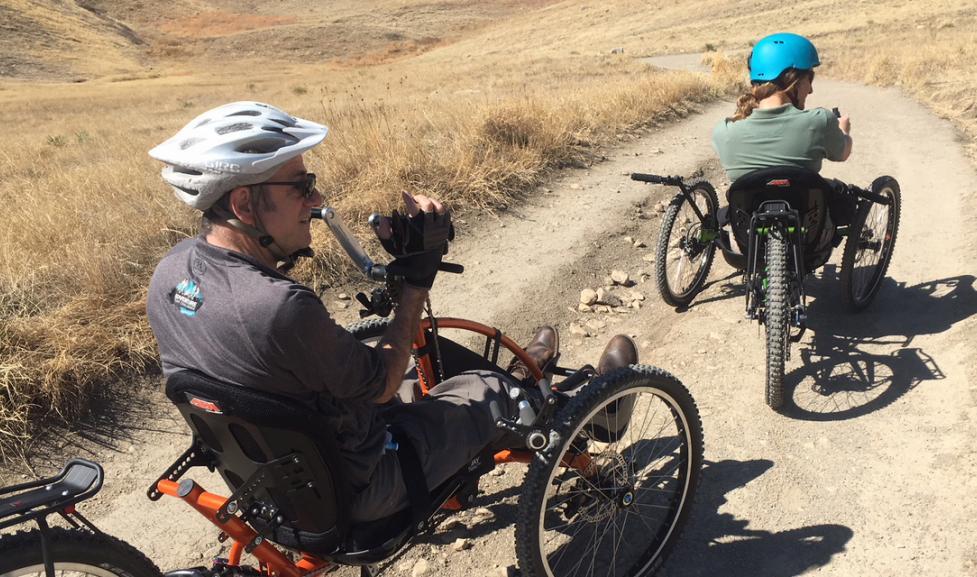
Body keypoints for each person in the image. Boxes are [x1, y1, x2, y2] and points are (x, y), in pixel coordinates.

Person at [145, 101, 639, 523]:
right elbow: (380, 382)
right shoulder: (278, 309)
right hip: (363, 487)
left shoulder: (170, 276)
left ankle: (523, 390)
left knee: (430, 365)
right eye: (302, 184)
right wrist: (417, 280)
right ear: (245, 205)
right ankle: (589, 413)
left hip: (278, 484)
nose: (317, 200)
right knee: (491, 392)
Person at [713, 32, 857, 255]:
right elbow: (842, 153)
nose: (810, 90)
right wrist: (843, 131)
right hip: (813, 240)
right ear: (794, 80)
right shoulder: (821, 120)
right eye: (810, 80)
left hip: (743, 244)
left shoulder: (724, 131)